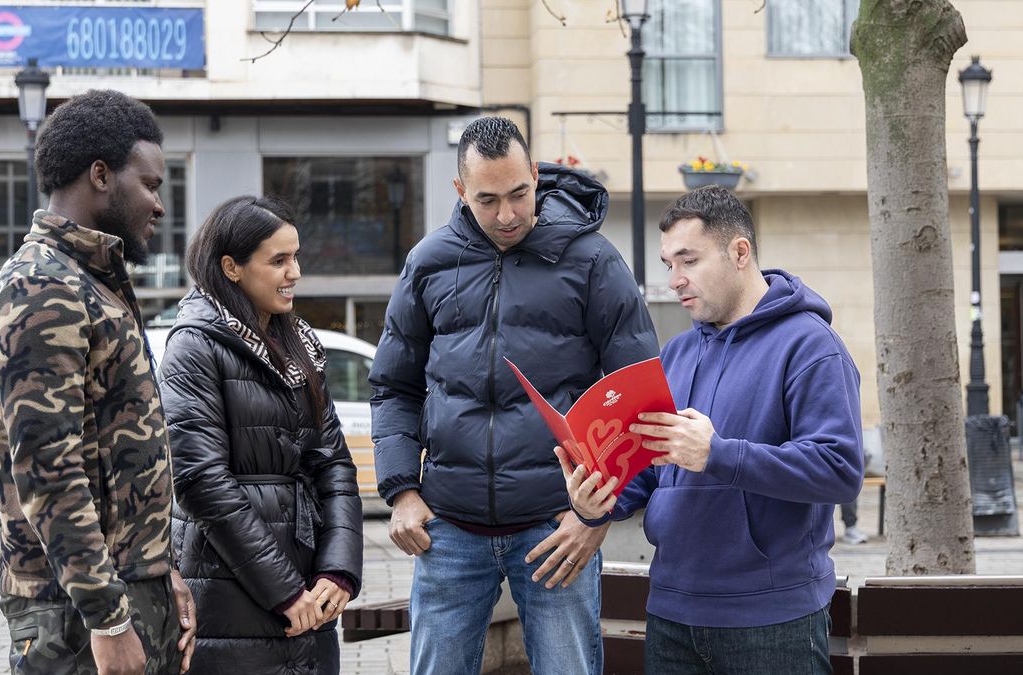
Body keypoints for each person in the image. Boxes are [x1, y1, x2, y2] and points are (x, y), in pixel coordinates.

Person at [369, 116, 659, 674]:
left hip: (557, 524)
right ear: (461, 191)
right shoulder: (428, 262)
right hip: (448, 528)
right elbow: (393, 386)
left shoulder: (593, 260)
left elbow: (637, 395)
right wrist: (403, 490)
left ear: (535, 175)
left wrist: (597, 517)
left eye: (519, 194)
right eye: (487, 200)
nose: (507, 215)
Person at [562, 186, 864, 674]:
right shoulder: (675, 355)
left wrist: (717, 454)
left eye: (689, 261)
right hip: (670, 612)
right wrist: (597, 500)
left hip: (772, 619)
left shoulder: (811, 347)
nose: (675, 281)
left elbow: (839, 470)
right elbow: (647, 468)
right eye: (668, 265)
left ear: (739, 252)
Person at [0, 89, 196, 675]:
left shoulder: (89, 281)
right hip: (74, 616)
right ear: (101, 175)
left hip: (121, 590)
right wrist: (109, 618)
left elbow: (119, 455)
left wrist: (158, 568)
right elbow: (49, 471)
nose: (159, 205)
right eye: (150, 185)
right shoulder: (42, 288)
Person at [158, 195, 364, 674]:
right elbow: (200, 480)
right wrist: (284, 592)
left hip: (310, 593)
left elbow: (333, 463)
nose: (295, 272)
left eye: (296, 257)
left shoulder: (300, 344)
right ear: (231, 267)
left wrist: (337, 570)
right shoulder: (194, 346)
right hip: (231, 593)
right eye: (278, 261)